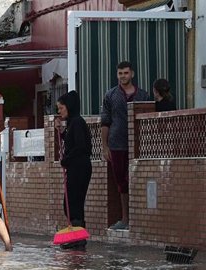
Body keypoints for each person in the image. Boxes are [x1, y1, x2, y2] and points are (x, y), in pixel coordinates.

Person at [100, 61, 149, 231]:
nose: (123, 76)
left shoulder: (143, 95)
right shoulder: (110, 95)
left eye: (126, 73)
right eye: (120, 73)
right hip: (117, 144)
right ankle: (125, 218)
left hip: (140, 145)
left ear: (132, 74)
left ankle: (139, 217)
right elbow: (105, 122)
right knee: (121, 182)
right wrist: (105, 146)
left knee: (138, 180)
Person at [55, 90, 93, 249]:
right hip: (76, 167)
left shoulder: (77, 122)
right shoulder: (72, 123)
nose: (59, 111)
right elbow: (71, 142)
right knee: (70, 203)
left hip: (79, 167)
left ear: (69, 107)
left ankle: (78, 238)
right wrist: (62, 132)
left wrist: (66, 160)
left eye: (61, 108)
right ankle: (77, 236)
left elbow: (80, 147)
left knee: (72, 203)